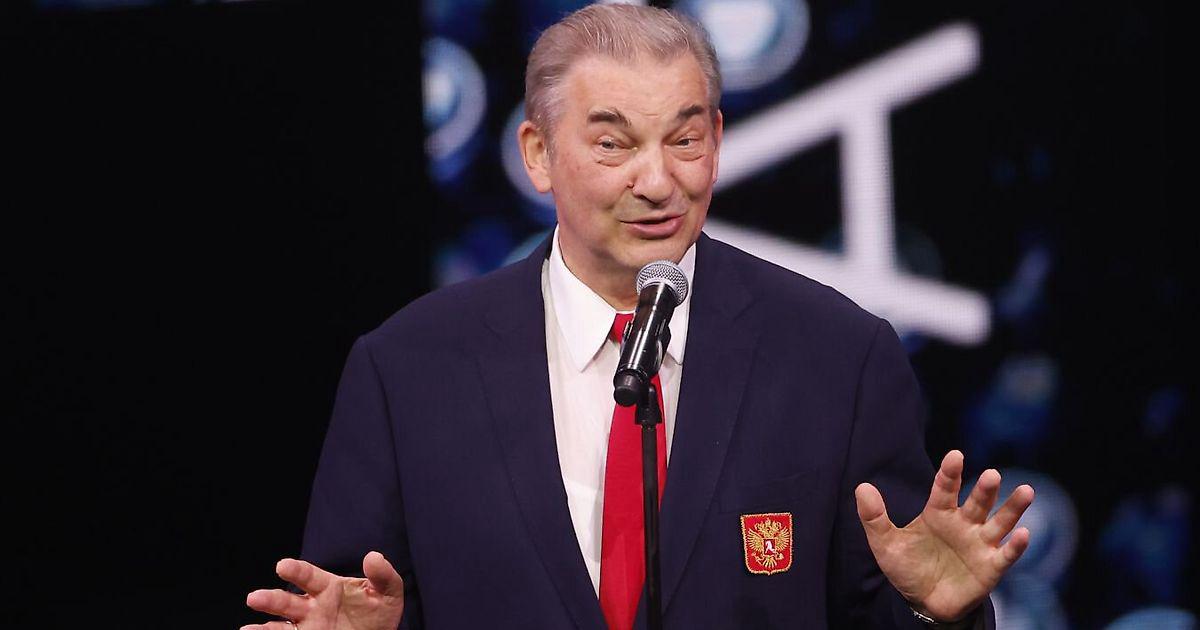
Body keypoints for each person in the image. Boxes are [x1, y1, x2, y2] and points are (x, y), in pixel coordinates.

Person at [243, 5, 1033, 629]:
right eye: (614, 145)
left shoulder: (839, 359)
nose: (657, 182)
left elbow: (889, 609)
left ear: (717, 139)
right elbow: (360, 603)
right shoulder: (407, 371)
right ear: (537, 154)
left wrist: (938, 614)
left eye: (684, 139)